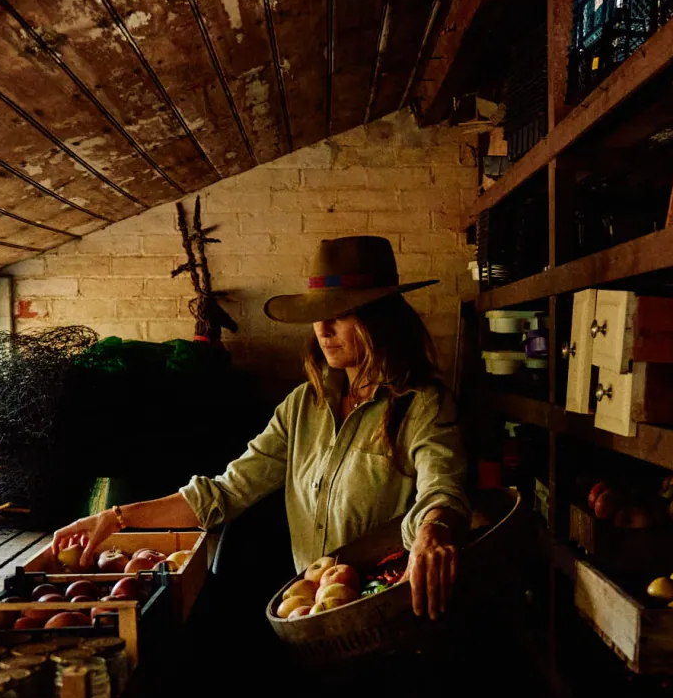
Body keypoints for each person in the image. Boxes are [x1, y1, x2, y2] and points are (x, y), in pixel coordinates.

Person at [51, 235, 470, 618]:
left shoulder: (423, 405)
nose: (323, 330)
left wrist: (433, 529)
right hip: (312, 608)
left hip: (390, 602)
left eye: (340, 315)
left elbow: (442, 486)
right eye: (317, 315)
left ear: (381, 320)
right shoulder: (302, 407)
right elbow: (226, 493)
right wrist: (115, 518)